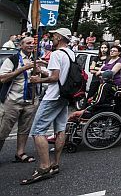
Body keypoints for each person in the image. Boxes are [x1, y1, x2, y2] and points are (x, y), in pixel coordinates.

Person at [21, 28, 75, 185]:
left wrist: (38, 80)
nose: (52, 38)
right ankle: (55, 164)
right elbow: (61, 76)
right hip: (65, 96)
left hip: (53, 97)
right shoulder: (70, 53)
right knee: (60, 129)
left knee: (38, 131)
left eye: (53, 36)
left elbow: (54, 78)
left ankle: (44, 167)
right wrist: (43, 70)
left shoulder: (57, 54)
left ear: (59, 37)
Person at [0, 36, 43, 164]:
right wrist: (23, 68)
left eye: (33, 43)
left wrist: (40, 71)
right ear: (21, 45)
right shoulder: (12, 59)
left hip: (30, 101)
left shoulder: (36, 60)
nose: (31, 45)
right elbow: (2, 78)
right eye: (28, 43)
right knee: (2, 131)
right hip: (12, 101)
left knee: (24, 129)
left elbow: (44, 76)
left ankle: (20, 153)